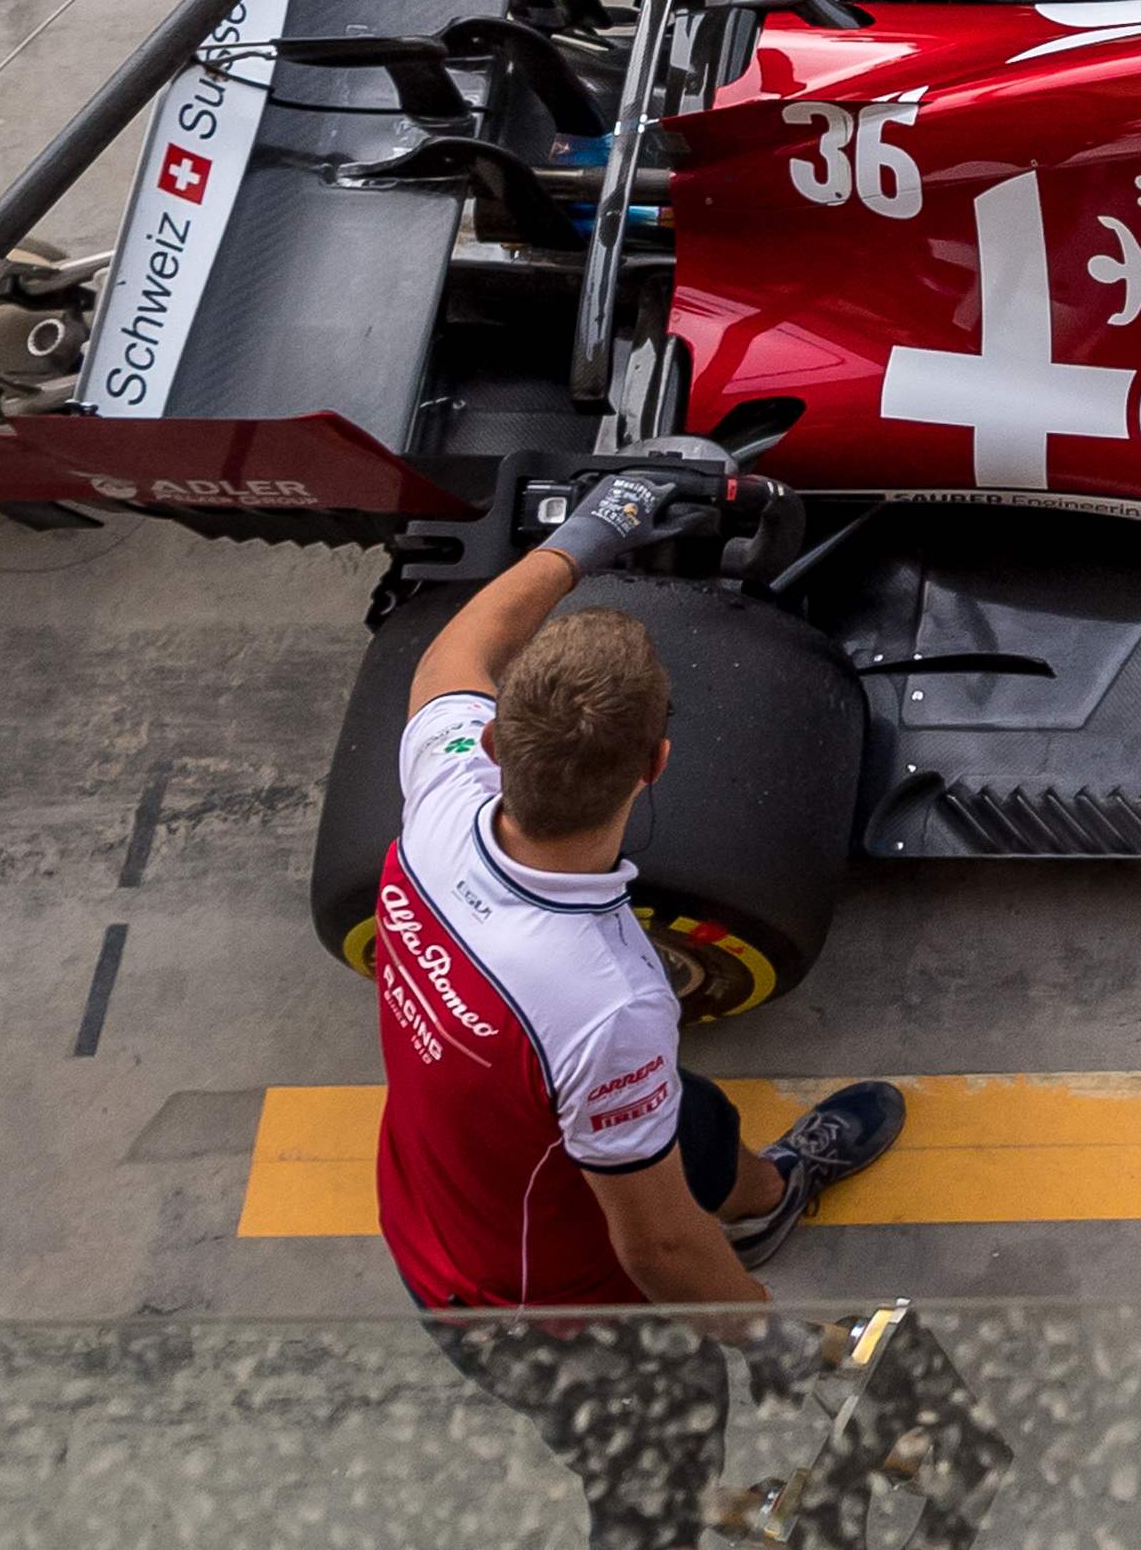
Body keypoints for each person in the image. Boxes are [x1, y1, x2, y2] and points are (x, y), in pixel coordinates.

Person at [374, 473, 906, 1547]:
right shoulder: (606, 998)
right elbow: (659, 1249)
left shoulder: (442, 792)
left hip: (448, 1188)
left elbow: (454, 653)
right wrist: (777, 1354)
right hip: (539, 1307)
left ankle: (768, 1198)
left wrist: (586, 535)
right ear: (659, 764)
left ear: (491, 741)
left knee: (690, 1125)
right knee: (651, 1480)